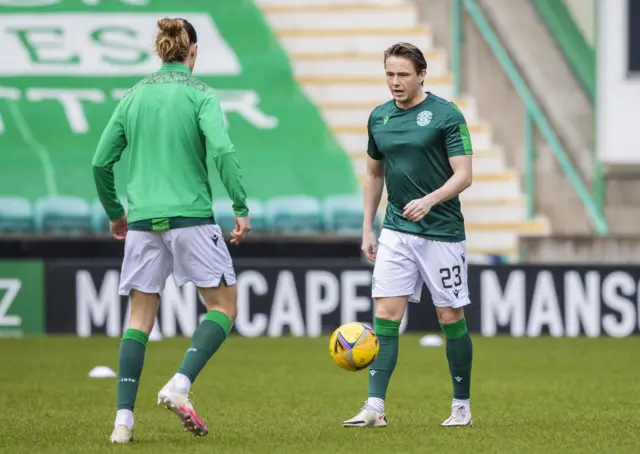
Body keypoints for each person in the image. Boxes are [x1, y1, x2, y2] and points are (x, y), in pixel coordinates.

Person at [92, 17, 251, 443]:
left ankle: (122, 422)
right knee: (223, 307)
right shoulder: (202, 94)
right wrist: (239, 205)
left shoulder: (132, 97)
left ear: (160, 49)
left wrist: (115, 212)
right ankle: (180, 383)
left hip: (143, 222)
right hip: (191, 218)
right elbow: (221, 150)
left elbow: (100, 162)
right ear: (192, 51)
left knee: (139, 319)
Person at [343, 42, 474, 428]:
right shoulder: (379, 118)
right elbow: (373, 173)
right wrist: (368, 226)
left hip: (442, 232)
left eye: (403, 75)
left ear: (421, 74)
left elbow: (464, 175)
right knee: (385, 316)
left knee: (449, 316)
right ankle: (374, 407)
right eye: (389, 74)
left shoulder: (446, 115)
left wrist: (430, 200)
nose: (395, 82)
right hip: (396, 231)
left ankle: (461, 407)